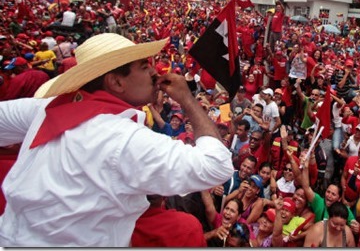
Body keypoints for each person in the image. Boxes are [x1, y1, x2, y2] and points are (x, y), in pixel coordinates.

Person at [0, 33, 234, 246]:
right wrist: (187, 99)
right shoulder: (122, 139)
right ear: (116, 82)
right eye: (144, 67)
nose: (155, 73)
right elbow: (217, 165)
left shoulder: (45, 110)